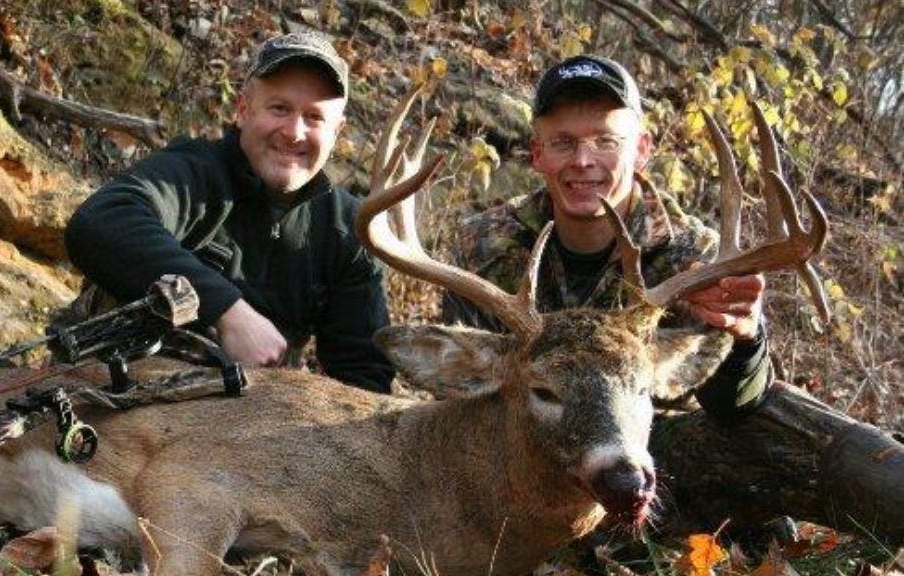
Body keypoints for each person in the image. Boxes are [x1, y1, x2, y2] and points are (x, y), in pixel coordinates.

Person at [442, 55, 770, 422]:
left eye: (606, 141)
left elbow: (732, 410)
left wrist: (745, 339)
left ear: (642, 150)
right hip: (524, 453)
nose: (583, 160)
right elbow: (460, 402)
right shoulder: (482, 245)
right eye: (563, 142)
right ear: (538, 154)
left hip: (657, 458)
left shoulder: (695, 259)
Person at [64, 31, 395, 393]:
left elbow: (364, 381)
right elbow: (100, 222)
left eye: (314, 117)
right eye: (279, 108)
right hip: (117, 397)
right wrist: (227, 311)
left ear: (337, 132)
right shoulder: (194, 173)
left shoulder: (348, 231)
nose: (294, 132)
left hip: (245, 425)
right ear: (242, 110)